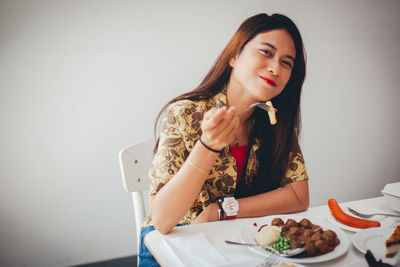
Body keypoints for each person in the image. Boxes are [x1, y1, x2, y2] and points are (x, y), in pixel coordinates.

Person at [139, 12, 309, 266]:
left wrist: (220, 211)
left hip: (234, 240)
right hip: (172, 243)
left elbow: (298, 197)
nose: (275, 68)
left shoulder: (275, 120)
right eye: (266, 52)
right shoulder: (184, 113)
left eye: (286, 63)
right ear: (234, 55)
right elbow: (163, 220)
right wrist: (208, 146)